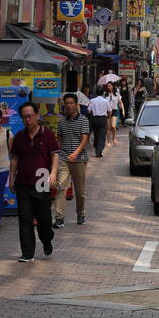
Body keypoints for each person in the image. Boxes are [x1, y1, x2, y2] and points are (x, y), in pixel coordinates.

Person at [8, 101, 60, 260]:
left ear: (37, 115)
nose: (27, 120)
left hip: (43, 179)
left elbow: (55, 155)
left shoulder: (48, 134)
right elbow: (15, 159)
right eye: (24, 117)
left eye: (30, 116)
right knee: (25, 218)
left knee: (44, 220)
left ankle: (47, 239)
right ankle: (27, 253)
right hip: (23, 182)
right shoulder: (19, 137)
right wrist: (11, 178)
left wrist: (53, 173)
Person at [55, 93, 90, 227]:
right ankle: (59, 217)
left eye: (71, 103)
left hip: (79, 159)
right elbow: (59, 139)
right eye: (66, 103)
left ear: (76, 105)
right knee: (61, 187)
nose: (68, 105)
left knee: (80, 191)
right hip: (64, 158)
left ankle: (80, 213)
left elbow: (85, 139)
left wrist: (75, 153)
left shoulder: (83, 120)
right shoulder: (61, 121)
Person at [87, 89, 111, 157]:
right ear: (103, 92)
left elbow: (89, 111)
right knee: (102, 135)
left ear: (96, 93)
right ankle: (99, 151)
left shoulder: (92, 100)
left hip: (94, 119)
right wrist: (108, 117)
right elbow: (110, 111)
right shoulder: (106, 101)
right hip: (103, 119)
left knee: (96, 135)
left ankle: (96, 149)